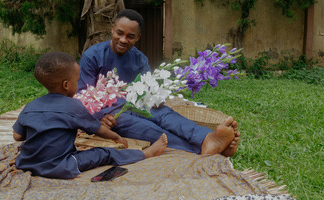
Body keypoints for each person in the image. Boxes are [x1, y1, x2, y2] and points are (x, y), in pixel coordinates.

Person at [78, 9, 240, 156]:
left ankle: (207, 137)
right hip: (114, 114)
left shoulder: (140, 59)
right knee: (150, 129)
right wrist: (100, 118)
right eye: (119, 33)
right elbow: (82, 98)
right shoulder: (92, 57)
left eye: (130, 36)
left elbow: (149, 91)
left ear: (138, 38)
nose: (123, 39)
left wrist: (155, 97)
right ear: (112, 29)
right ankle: (208, 149)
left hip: (138, 105)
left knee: (165, 114)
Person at [12, 51, 168, 179]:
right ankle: (145, 154)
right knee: (102, 153)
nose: (78, 83)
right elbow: (98, 129)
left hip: (27, 163)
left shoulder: (30, 106)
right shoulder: (73, 106)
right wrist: (116, 137)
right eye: (77, 80)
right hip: (62, 166)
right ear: (66, 85)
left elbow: (17, 136)